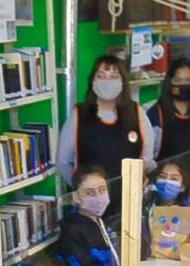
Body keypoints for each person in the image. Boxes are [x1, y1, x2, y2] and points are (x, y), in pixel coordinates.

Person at [57, 55, 156, 222]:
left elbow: (147, 157)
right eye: (101, 76)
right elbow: (63, 161)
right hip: (90, 209)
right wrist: (84, 190)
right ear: (92, 81)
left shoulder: (136, 112)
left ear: (123, 82)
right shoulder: (78, 115)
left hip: (129, 203)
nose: (107, 81)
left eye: (113, 76)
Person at [146, 57, 190, 164]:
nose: (183, 84)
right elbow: (148, 156)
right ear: (170, 83)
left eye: (187, 80)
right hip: (163, 176)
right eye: (178, 80)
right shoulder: (155, 113)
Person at [58, 165, 121, 266]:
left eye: (102, 190)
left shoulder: (99, 220)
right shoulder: (72, 231)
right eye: (90, 193)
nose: (98, 197)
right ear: (76, 197)